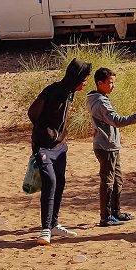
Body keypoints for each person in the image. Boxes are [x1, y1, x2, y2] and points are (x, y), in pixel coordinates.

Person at [28, 58, 92, 246]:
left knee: (60, 183)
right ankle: (45, 229)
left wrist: (59, 137)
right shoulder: (53, 91)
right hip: (43, 146)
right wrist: (45, 132)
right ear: (76, 77)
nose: (86, 82)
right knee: (50, 182)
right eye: (85, 79)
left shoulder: (70, 92)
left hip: (60, 147)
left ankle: (54, 224)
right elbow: (32, 113)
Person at [87, 68, 136, 227]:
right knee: (108, 182)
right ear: (100, 83)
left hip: (110, 145)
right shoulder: (101, 102)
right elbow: (118, 121)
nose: (113, 86)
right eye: (110, 83)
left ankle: (116, 212)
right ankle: (105, 217)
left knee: (117, 181)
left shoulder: (98, 98)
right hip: (106, 146)